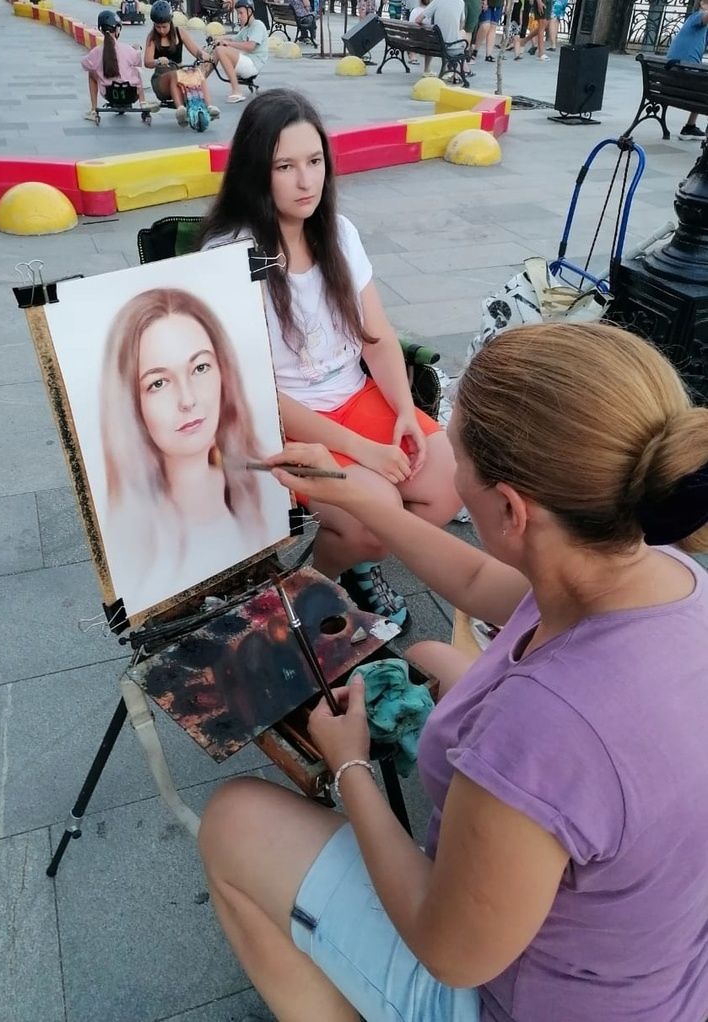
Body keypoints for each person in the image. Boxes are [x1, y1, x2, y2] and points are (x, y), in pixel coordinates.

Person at [198, 321, 708, 1022]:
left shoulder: (544, 727)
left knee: (233, 821)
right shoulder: (664, 571)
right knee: (434, 657)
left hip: (528, 1000)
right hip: (653, 966)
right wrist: (359, 495)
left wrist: (351, 769)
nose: (448, 475)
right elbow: (477, 579)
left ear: (510, 509)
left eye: (456, 458)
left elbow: (450, 953)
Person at [199, 90, 461, 630]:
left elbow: (376, 338)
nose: (306, 181)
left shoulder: (339, 233)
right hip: (284, 424)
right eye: (285, 166)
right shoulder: (228, 257)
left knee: (446, 484)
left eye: (315, 161)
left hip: (357, 396)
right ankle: (314, 587)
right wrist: (362, 450)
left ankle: (360, 564)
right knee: (372, 518)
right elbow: (253, 392)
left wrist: (405, 412)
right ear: (255, 171)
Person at [99, 287, 285, 614]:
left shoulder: (260, 503)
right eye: (158, 383)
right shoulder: (146, 566)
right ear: (130, 404)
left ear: (224, 372)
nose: (188, 399)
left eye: (200, 368)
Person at [143, 0, 219, 124]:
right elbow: (147, 62)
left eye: (164, 26)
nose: (161, 30)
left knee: (197, 72)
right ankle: (180, 110)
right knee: (175, 74)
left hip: (178, 75)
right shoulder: (152, 38)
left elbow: (196, 51)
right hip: (161, 79)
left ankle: (209, 106)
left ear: (170, 21)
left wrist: (203, 55)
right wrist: (158, 61)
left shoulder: (180, 33)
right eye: (158, 27)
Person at [80, 10, 158, 122]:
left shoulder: (96, 52)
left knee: (91, 73)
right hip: (131, 93)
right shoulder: (128, 49)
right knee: (136, 70)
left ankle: (93, 110)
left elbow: (84, 64)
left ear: (101, 30)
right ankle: (143, 102)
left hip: (109, 93)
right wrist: (136, 49)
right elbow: (138, 62)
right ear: (117, 30)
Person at [200, 0, 268, 104]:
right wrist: (218, 39)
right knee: (217, 49)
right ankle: (199, 81)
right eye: (237, 13)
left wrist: (228, 44)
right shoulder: (246, 28)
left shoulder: (257, 25)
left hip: (254, 64)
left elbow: (250, 46)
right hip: (247, 61)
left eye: (241, 13)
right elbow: (233, 39)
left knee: (220, 50)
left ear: (249, 12)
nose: (239, 17)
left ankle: (237, 91)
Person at [666, 0, 708, 140]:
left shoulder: (692, 23)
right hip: (686, 81)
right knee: (704, 86)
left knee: (702, 83)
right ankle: (690, 127)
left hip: (669, 83)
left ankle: (690, 126)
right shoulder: (697, 17)